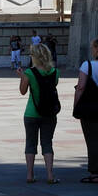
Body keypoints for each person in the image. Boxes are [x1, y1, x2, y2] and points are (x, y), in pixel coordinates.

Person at [72, 37, 98, 183]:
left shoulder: (87, 65)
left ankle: (94, 173)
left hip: (91, 108)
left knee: (93, 141)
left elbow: (81, 87)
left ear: (96, 48)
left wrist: (76, 105)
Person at [20, 42, 60, 184]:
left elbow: (23, 91)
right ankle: (50, 175)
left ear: (35, 57)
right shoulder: (55, 72)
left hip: (31, 112)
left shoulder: (29, 72)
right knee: (47, 143)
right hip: (49, 113)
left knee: (30, 143)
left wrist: (22, 77)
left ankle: (30, 175)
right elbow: (51, 87)